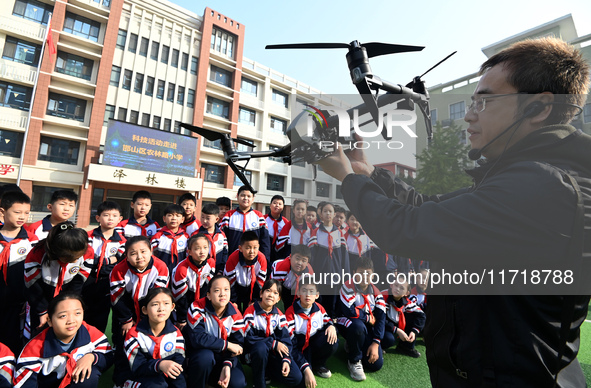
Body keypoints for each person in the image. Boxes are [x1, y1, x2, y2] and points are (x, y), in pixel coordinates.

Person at [317, 37, 591, 387]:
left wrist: (347, 176)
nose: (471, 115)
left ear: (538, 108)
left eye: (485, 101)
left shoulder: (542, 185)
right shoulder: (530, 176)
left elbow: (404, 228)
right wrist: (369, 173)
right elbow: (429, 207)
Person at [14, 293, 113, 388]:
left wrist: (92, 357)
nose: (71, 321)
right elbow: (24, 383)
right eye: (63, 316)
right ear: (49, 320)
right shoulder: (35, 348)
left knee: (90, 374)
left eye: (77, 313)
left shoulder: (90, 332)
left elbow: (108, 356)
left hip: (75, 382)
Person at [109, 235, 169, 386]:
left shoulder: (160, 267)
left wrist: (145, 321)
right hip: (125, 312)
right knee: (123, 344)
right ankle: (121, 380)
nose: (139, 257)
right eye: (133, 253)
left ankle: (147, 378)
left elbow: (157, 297)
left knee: (148, 345)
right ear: (126, 256)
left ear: (151, 251)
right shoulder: (118, 269)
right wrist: (127, 320)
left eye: (143, 251)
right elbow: (117, 298)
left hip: (150, 311)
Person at [24, 222, 94, 340]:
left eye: (78, 257)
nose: (75, 260)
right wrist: (42, 311)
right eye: (71, 258)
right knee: (39, 333)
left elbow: (78, 281)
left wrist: (69, 304)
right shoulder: (36, 254)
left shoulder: (87, 251)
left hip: (68, 292)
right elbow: (33, 286)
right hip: (41, 297)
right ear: (56, 252)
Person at [183, 275, 247, 388]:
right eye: (217, 290)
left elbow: (237, 346)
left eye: (226, 289)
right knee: (205, 357)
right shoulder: (196, 308)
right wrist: (226, 344)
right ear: (208, 295)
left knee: (238, 383)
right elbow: (197, 339)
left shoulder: (236, 314)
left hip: (222, 358)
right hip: (199, 357)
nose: (222, 294)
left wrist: (227, 365)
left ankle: (212, 380)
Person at [242, 279, 302, 388]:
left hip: (273, 355)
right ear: (261, 293)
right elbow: (248, 338)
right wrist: (273, 343)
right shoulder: (250, 312)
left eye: (275, 293)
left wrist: (286, 359)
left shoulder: (279, 316)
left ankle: (267, 371)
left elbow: (286, 340)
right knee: (260, 348)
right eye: (268, 290)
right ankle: (259, 382)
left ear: (278, 299)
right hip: (254, 354)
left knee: (296, 377)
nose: (271, 295)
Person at [123, 287, 186, 388]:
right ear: (145, 310)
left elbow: (179, 360)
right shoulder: (134, 334)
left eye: (166, 303)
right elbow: (137, 367)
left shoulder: (176, 333)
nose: (161, 308)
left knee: (180, 382)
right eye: (155, 304)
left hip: (164, 374)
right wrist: (159, 365)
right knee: (156, 385)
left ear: (172, 307)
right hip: (138, 376)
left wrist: (168, 369)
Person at [336, 256, 385, 381]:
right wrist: (368, 318)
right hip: (345, 322)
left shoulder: (376, 292)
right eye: (360, 273)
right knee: (358, 326)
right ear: (354, 273)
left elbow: (380, 318)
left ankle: (354, 345)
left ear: (373, 275)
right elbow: (349, 311)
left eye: (368, 273)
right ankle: (354, 360)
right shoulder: (348, 286)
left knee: (376, 364)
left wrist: (375, 343)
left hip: (363, 326)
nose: (364, 276)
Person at [0, 191, 38, 354]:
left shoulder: (32, 241)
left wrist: (28, 300)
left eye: (26, 213)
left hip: (18, 304)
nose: (22, 216)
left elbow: (35, 274)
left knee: (13, 341)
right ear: (2, 212)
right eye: (17, 212)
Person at [284, 277, 338, 387]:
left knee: (332, 340)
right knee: (300, 381)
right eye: (304, 291)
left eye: (311, 291)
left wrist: (332, 326)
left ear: (317, 295)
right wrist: (306, 368)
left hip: (313, 346)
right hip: (297, 350)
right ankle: (306, 365)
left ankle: (319, 364)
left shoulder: (319, 308)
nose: (308, 295)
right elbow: (291, 346)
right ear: (298, 293)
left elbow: (328, 321)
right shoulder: (290, 314)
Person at [84, 201, 126, 332]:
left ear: (120, 219)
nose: (110, 218)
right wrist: (108, 260)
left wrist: (98, 262)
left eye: (114, 216)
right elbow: (85, 258)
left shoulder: (122, 241)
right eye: (106, 215)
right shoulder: (87, 236)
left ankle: (97, 347)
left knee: (101, 316)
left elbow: (119, 261)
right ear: (98, 218)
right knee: (83, 313)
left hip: (107, 282)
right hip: (86, 279)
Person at [307, 202, 349, 317]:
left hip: (335, 275)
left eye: (330, 211)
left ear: (334, 214)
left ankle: (332, 324)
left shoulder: (340, 234)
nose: (328, 213)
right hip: (320, 274)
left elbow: (345, 257)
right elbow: (311, 256)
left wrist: (345, 275)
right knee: (319, 301)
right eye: (325, 211)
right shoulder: (316, 232)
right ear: (321, 214)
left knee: (332, 303)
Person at [171, 233, 216, 329]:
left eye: (205, 247)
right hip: (184, 303)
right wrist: (182, 318)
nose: (202, 251)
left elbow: (207, 288)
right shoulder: (182, 269)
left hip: (201, 303)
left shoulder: (211, 263)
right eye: (197, 248)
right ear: (189, 252)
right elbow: (180, 297)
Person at [219, 186, 271, 265]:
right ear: (237, 196)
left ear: (253, 199)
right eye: (242, 195)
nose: (245, 198)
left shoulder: (259, 216)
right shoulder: (228, 215)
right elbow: (221, 239)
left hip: (254, 260)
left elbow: (265, 241)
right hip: (232, 260)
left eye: (249, 196)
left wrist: (265, 260)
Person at [382, 274, 425, 359]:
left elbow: (421, 315)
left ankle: (406, 347)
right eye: (396, 285)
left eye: (402, 288)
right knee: (389, 339)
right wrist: (397, 330)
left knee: (413, 316)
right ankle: (378, 345)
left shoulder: (406, 301)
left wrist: (414, 331)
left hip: (393, 324)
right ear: (391, 285)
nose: (397, 289)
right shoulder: (383, 296)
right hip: (380, 326)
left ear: (407, 293)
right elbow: (379, 319)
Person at [223, 231, 267, 313]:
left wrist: (255, 300)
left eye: (255, 247)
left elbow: (260, 282)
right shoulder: (232, 259)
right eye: (248, 248)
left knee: (251, 311)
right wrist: (233, 301)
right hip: (236, 287)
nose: (252, 251)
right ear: (240, 248)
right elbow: (230, 282)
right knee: (235, 311)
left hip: (253, 287)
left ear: (259, 247)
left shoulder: (261, 259)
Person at [270, 244, 314, 308]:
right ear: (290, 257)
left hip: (296, 289)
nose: (299, 263)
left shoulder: (309, 274)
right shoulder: (281, 268)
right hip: (281, 285)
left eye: (304, 260)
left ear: (307, 263)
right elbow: (272, 288)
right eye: (297, 259)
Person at [150, 204, 189, 273]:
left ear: (182, 219)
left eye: (177, 215)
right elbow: (151, 257)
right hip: (161, 272)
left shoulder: (186, 237)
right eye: (170, 215)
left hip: (181, 273)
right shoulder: (157, 237)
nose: (174, 218)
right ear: (164, 218)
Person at [198, 203, 228, 274]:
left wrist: (221, 270)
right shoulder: (197, 235)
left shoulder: (222, 235)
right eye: (202, 217)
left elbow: (225, 253)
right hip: (201, 271)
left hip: (218, 271)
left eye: (208, 218)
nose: (204, 220)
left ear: (216, 219)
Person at [265, 195, 289, 263]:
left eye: (280, 204)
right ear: (270, 205)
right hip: (266, 250)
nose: (277, 205)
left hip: (280, 253)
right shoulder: (263, 219)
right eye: (274, 203)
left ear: (283, 207)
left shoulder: (286, 222)